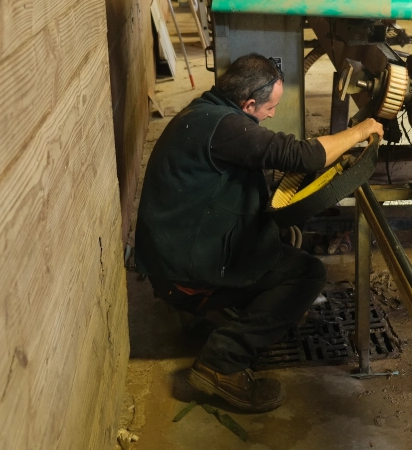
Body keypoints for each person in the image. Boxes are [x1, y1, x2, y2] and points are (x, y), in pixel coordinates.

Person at [135, 53, 384, 412]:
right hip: (180, 270)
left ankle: (212, 312)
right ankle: (221, 363)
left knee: (274, 237)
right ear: (248, 103)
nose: (272, 115)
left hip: (172, 249)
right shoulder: (227, 129)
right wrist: (360, 131)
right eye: (270, 108)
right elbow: (301, 156)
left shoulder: (205, 112)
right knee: (305, 274)